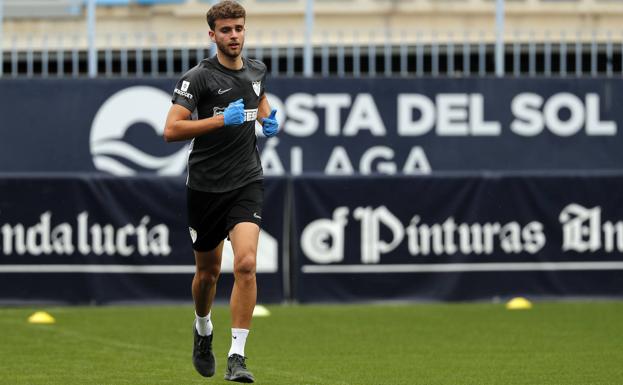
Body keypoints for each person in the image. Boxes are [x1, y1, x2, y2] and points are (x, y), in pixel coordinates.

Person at [163, 1, 279, 383]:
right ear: (212, 34)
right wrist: (216, 120)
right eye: (226, 30)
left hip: (247, 179)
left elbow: (259, 98)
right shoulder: (198, 78)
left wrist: (269, 117)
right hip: (206, 187)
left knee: (245, 263)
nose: (234, 36)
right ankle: (202, 327)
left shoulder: (258, 69)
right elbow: (171, 130)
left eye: (239, 29)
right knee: (208, 274)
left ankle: (237, 356)